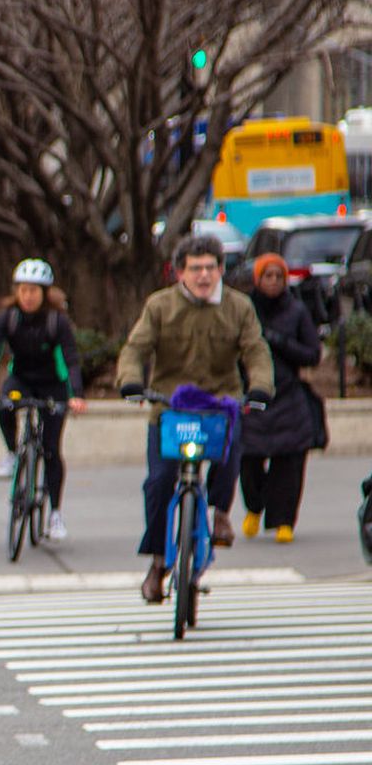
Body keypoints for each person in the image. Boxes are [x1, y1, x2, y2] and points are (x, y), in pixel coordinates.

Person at [116, 232, 275, 604]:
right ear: (179, 272)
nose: (204, 276)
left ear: (221, 270)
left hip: (220, 408)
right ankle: (158, 563)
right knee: (158, 484)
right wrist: (131, 382)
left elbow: (256, 350)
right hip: (170, 410)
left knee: (232, 445)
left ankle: (220, 514)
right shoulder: (160, 306)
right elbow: (135, 349)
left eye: (210, 268)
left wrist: (260, 387)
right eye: (195, 269)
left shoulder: (239, 307)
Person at [0, 259, 87, 540]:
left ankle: (55, 514)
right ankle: (14, 454)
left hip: (53, 385)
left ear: (45, 293)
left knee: (50, 448)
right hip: (21, 381)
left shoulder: (56, 320)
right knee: (6, 405)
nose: (28, 296)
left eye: (34, 291)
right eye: (23, 290)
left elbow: (71, 359)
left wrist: (76, 395)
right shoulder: (9, 317)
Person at [239, 253, 322, 543]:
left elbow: (312, 354)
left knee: (289, 461)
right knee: (247, 457)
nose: (273, 282)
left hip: (288, 396)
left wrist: (279, 341)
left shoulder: (296, 311)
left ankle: (283, 520)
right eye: (267, 276)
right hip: (253, 395)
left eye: (279, 276)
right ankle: (254, 506)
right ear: (257, 279)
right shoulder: (245, 309)